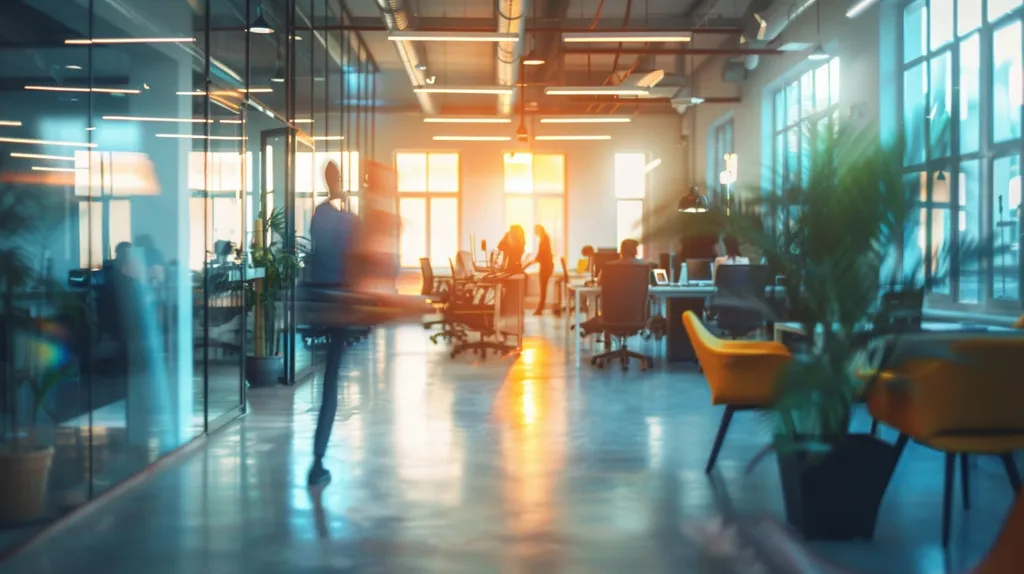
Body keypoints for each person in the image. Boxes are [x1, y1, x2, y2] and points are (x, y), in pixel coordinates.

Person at [305, 160, 361, 487]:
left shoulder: (321, 215)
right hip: (338, 305)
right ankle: (317, 462)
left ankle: (318, 460)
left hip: (321, 303)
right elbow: (352, 237)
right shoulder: (342, 219)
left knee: (330, 382)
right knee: (330, 385)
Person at [525, 225, 554, 315]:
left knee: (543, 289)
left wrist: (531, 262)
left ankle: (540, 309)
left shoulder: (544, 239)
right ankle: (540, 309)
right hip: (546, 266)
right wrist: (532, 262)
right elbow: (541, 254)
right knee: (543, 289)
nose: (535, 233)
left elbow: (542, 254)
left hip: (546, 267)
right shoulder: (544, 238)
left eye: (535, 231)